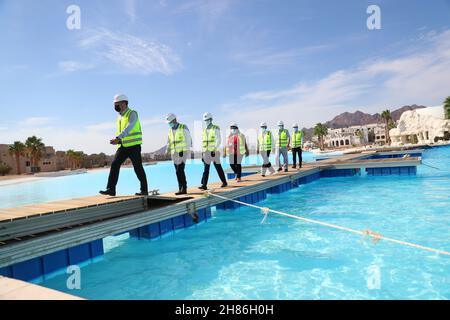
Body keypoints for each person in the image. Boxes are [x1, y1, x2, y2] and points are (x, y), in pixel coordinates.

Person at [100, 94, 148, 196]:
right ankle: (111, 189)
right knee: (115, 164)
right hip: (123, 146)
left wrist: (119, 138)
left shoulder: (132, 113)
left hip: (134, 146)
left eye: (118, 104)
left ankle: (144, 190)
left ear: (124, 103)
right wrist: (117, 140)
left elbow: (129, 127)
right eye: (115, 104)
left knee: (137, 167)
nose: (116, 106)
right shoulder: (119, 117)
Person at [199, 113, 227, 190]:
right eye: (205, 120)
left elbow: (219, 139)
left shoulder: (215, 127)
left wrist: (214, 149)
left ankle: (224, 182)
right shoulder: (204, 130)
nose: (206, 121)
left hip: (214, 152)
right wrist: (202, 153)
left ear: (211, 119)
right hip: (206, 152)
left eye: (207, 120)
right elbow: (203, 142)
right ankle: (204, 185)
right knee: (206, 168)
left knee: (218, 167)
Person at [165, 113, 192, 195]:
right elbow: (169, 141)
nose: (169, 124)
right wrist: (167, 149)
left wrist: (186, 150)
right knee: (178, 171)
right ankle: (181, 188)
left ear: (174, 120)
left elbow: (188, 139)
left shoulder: (183, 127)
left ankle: (184, 188)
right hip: (174, 153)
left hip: (182, 152)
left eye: (170, 122)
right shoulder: (170, 130)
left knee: (179, 170)